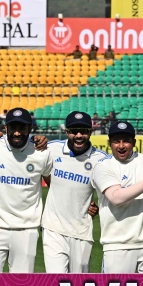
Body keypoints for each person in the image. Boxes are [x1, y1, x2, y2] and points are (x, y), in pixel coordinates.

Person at [91, 121, 143, 273]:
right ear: (109, 143)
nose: (121, 146)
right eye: (116, 141)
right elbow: (116, 198)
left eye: (126, 141)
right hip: (117, 243)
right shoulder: (103, 166)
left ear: (134, 142)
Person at [0, 109, 50, 273]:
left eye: (22, 128)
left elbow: (56, 187)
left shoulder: (42, 153)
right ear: (6, 128)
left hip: (27, 230)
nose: (17, 132)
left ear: (30, 129)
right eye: (13, 127)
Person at [42, 112, 107, 273]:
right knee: (55, 281)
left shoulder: (101, 159)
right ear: (67, 132)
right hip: (53, 229)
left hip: (82, 232)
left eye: (83, 131)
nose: (79, 135)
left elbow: (113, 190)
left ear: (90, 132)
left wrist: (97, 206)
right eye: (74, 131)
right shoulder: (52, 148)